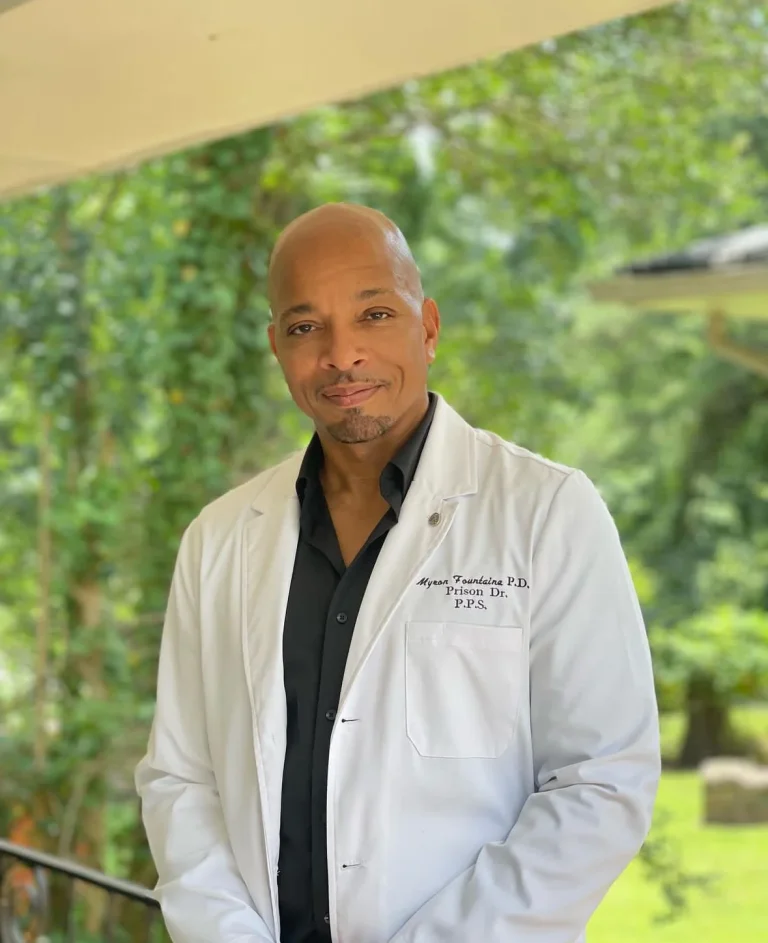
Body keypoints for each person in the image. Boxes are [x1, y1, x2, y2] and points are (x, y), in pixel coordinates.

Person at [135, 202, 661, 943]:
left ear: (429, 327)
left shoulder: (545, 513)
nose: (342, 354)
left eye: (374, 314)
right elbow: (181, 779)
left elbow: (601, 780)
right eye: (305, 327)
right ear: (277, 347)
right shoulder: (219, 538)